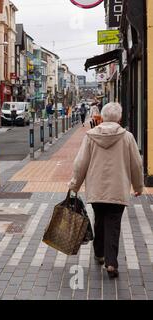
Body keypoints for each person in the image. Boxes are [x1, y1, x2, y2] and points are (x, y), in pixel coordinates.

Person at [68, 102, 144, 279]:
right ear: (119, 117)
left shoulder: (90, 136)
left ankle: (99, 254)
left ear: (102, 117)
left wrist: (74, 185)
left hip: (96, 188)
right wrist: (138, 186)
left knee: (99, 220)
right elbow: (137, 164)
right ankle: (111, 263)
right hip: (118, 189)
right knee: (113, 224)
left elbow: (80, 164)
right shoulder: (127, 137)